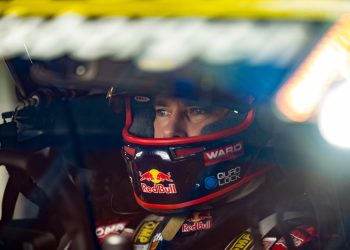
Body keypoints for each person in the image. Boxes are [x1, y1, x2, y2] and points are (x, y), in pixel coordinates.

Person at [118, 79, 347, 250]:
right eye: (162, 111)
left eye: (197, 111)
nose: (169, 130)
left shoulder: (288, 238)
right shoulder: (133, 232)